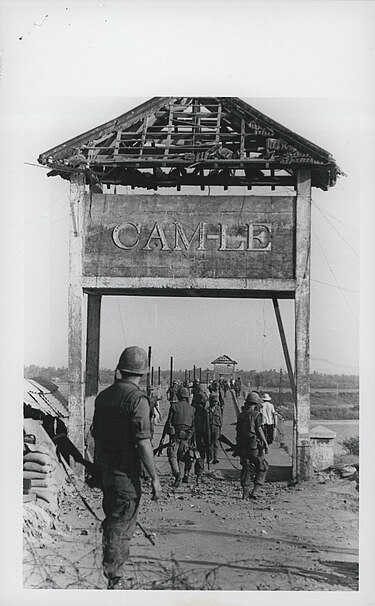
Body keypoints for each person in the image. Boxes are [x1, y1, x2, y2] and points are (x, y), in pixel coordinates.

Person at [92, 346, 162, 590]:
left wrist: (98, 468)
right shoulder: (137, 399)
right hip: (126, 475)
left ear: (121, 369)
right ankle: (115, 578)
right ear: (143, 372)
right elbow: (143, 442)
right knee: (121, 526)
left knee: (113, 520)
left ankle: (112, 573)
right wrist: (154, 478)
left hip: (107, 472)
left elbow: (97, 438)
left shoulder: (104, 397)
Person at [158, 386, 195, 487]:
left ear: (178, 395)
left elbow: (168, 423)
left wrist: (162, 438)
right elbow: (193, 426)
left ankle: (178, 475)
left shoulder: (174, 406)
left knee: (172, 455)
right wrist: (189, 437)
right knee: (182, 458)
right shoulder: (192, 409)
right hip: (186, 437)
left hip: (175, 436)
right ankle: (181, 477)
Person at [236, 391, 269, 500]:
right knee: (263, 466)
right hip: (253, 445)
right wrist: (265, 442)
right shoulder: (256, 415)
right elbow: (258, 429)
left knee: (246, 467)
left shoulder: (241, 415)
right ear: (256, 403)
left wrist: (238, 446)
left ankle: (245, 493)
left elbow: (238, 432)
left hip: (243, 445)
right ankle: (255, 491)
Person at [193, 390, 210, 483]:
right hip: (200, 437)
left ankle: (186, 474)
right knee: (200, 456)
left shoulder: (191, 409)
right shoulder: (204, 412)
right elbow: (207, 429)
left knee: (188, 456)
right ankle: (199, 475)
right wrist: (208, 442)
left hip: (190, 436)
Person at [208, 392, 223, 464]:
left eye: (216, 402)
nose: (215, 403)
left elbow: (220, 419)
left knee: (216, 443)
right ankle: (210, 458)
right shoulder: (207, 410)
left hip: (216, 428)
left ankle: (215, 457)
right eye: (213, 401)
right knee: (209, 443)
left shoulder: (218, 409)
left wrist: (221, 428)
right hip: (209, 428)